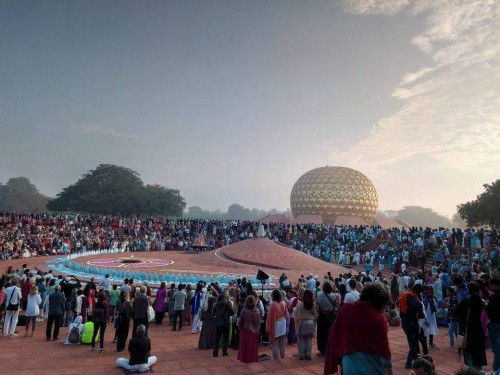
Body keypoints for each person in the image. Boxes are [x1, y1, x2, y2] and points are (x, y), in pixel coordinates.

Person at [324, 284, 392, 375]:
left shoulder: (347, 309)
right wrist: (389, 370)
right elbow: (384, 351)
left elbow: (335, 334)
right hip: (371, 368)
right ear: (379, 304)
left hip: (348, 366)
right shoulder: (379, 319)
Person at [456, 282, 487, 371]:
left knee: (468, 347)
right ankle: (478, 368)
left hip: (467, 327)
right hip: (477, 326)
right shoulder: (480, 300)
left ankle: (472, 368)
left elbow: (456, 311)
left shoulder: (466, 300)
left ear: (469, 290)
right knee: (479, 347)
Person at [398, 284, 426, 369]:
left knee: (411, 342)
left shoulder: (403, 295)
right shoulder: (417, 302)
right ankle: (408, 363)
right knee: (413, 345)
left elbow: (397, 303)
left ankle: (416, 359)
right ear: (420, 293)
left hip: (404, 323)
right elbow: (421, 316)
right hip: (413, 324)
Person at [316, 281, 340, 357]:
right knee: (330, 333)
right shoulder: (335, 295)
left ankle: (322, 351)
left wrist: (321, 285)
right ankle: (330, 350)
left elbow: (317, 289)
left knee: (321, 334)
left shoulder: (319, 295)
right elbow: (337, 301)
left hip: (322, 316)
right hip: (331, 316)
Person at [294, 289, 318, 360]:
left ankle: (301, 354)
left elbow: (296, 314)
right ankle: (308, 354)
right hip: (311, 322)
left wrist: (296, 323)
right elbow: (315, 314)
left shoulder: (300, 303)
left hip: (302, 323)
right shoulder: (313, 303)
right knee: (309, 339)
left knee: (301, 339)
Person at [266, 289, 289, 360]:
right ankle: (282, 355)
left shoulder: (273, 304)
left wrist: (267, 327)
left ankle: (276, 357)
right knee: (282, 341)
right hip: (283, 322)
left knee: (274, 341)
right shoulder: (283, 302)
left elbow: (269, 316)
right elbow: (286, 314)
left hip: (276, 323)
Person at [237, 295, 261, 363]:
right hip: (255, 331)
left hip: (245, 331)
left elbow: (240, 323)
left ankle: (245, 360)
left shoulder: (244, 311)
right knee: (253, 347)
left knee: (245, 347)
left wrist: (240, 328)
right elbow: (259, 321)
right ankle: (253, 359)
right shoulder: (257, 311)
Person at [212, 292, 234, 357]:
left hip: (218, 322)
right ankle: (224, 352)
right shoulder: (228, 303)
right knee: (225, 338)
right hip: (226, 323)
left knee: (217, 339)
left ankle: (215, 353)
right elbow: (232, 313)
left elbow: (213, 313)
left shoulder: (215, 303)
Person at [485, 276, 500, 373]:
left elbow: (490, 311)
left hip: (495, 324)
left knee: (495, 348)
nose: (490, 288)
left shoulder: (495, 296)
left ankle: (496, 370)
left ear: (495, 285)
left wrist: (486, 305)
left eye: (491, 286)